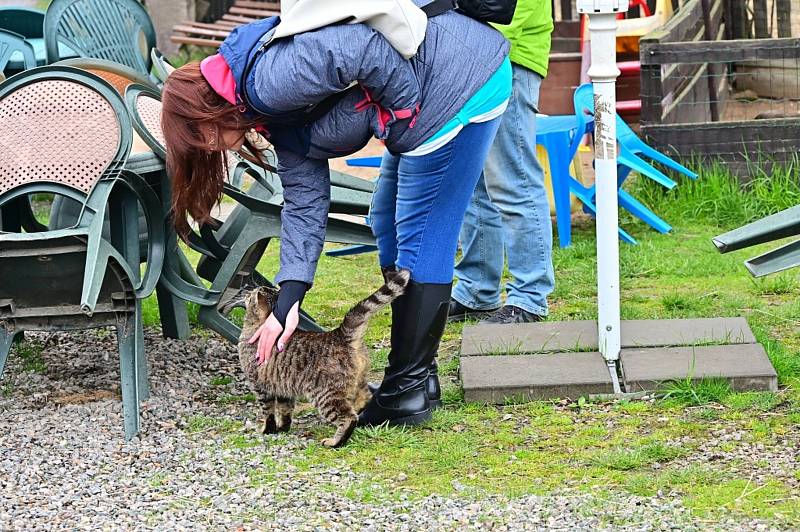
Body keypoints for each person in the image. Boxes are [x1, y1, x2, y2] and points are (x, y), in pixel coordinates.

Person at [160, 7, 511, 427]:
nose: (214, 148)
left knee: (422, 235)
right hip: (436, 91)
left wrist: (402, 110)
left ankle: (407, 394)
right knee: (385, 220)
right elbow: (304, 204)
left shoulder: (268, 84)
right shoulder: (267, 113)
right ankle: (420, 377)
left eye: (202, 138)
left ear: (207, 111)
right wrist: (287, 301)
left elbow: (362, 47)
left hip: (458, 83)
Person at [449, 0, 555, 325]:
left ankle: (529, 297)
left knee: (513, 179)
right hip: (471, 62)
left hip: (509, 59)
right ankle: (477, 290)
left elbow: (510, 11)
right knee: (475, 183)